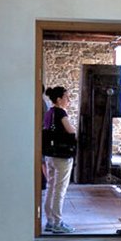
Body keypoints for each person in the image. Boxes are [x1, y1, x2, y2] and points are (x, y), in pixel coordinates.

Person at [40, 85, 76, 233]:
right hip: (62, 156)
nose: (69, 100)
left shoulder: (49, 112)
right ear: (59, 99)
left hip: (50, 155)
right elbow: (71, 131)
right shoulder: (61, 113)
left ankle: (49, 220)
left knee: (51, 187)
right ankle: (57, 222)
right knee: (60, 189)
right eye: (67, 97)